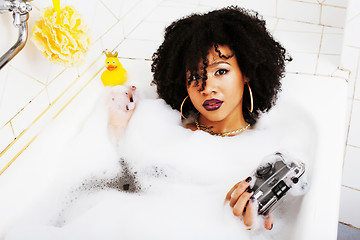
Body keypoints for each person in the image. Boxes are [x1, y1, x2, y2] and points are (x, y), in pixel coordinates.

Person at [151, 6, 291, 231]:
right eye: (195, 76)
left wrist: (242, 223)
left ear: (246, 72)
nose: (206, 88)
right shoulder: (164, 130)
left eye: (221, 71)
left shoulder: (268, 153)